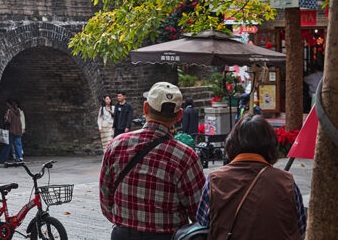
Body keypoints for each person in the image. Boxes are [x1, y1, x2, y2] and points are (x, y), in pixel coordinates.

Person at [100, 82, 205, 240]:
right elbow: (199, 212)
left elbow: (106, 199)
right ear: (179, 115)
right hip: (167, 236)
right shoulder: (186, 156)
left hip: (123, 234)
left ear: (145, 108)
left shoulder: (116, 145)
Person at [196, 114, 306, 239]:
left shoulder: (215, 180)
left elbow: (203, 222)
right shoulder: (287, 182)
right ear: (271, 146)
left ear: (232, 144)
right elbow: (301, 227)